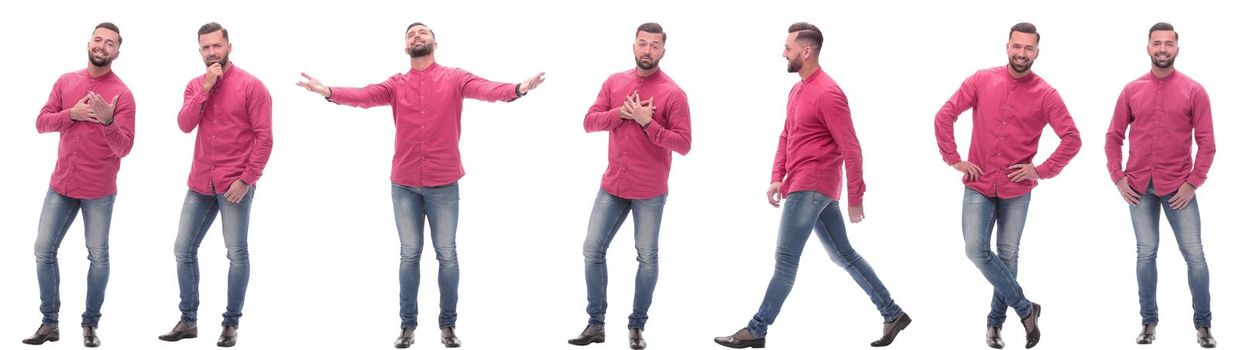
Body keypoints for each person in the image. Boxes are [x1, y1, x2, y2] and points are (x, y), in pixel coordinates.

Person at [296, 22, 545, 349]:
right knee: (409, 255)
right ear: (405, 48)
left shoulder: (455, 78)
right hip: (404, 185)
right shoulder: (396, 84)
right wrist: (330, 92)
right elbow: (365, 95)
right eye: (411, 35)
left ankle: (448, 326)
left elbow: (486, 89)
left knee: (447, 255)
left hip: (444, 184)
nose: (417, 36)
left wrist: (518, 88)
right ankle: (407, 326)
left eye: (422, 33)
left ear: (434, 42)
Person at [713, 22, 910, 349]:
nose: (783, 53)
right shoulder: (798, 89)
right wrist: (777, 176)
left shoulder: (829, 93)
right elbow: (787, 135)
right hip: (803, 184)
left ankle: (757, 328)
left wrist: (856, 196)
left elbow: (851, 147)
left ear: (806, 51)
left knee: (785, 261)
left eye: (788, 48)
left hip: (812, 186)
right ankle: (892, 312)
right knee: (843, 254)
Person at [932, 22, 1080, 349]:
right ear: (1007, 47)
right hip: (978, 183)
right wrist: (953, 158)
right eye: (1017, 46)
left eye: (1028, 48)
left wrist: (1040, 170)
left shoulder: (1046, 94)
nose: (1021, 53)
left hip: (1017, 190)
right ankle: (1027, 310)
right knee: (975, 250)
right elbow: (944, 115)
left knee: (1008, 255)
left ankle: (994, 325)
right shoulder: (982, 79)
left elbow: (1072, 139)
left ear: (1037, 52)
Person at [567, 22, 692, 350]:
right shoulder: (615, 82)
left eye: (654, 45)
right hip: (612, 186)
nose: (647, 50)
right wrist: (620, 114)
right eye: (642, 43)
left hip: (650, 190)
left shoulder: (674, 93)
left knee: (647, 257)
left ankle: (636, 326)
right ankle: (596, 324)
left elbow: (684, 144)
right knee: (591, 249)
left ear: (663, 51)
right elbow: (588, 121)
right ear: (633, 46)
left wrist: (647, 122)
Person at [158, 22, 274, 348]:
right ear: (199, 51)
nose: (212, 52)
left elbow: (265, 139)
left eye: (216, 46)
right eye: (205, 48)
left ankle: (230, 324)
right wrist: (206, 87)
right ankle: (188, 320)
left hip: (234, 185)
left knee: (236, 253)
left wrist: (247, 180)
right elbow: (184, 124)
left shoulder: (253, 87)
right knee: (183, 249)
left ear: (229, 47)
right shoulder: (196, 84)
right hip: (199, 184)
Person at [1104, 22, 1217, 348]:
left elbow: (1207, 143)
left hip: (1178, 188)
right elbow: (1113, 137)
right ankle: (1148, 322)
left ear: (1176, 49)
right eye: (1157, 43)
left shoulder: (1194, 91)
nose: (1163, 49)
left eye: (1169, 44)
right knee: (1145, 253)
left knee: (1195, 256)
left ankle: (1203, 325)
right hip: (1139, 188)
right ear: (1148, 47)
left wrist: (1194, 182)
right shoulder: (1131, 90)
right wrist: (1118, 177)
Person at [25, 22, 136, 349]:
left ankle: (90, 324)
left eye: (110, 43)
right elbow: (41, 122)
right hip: (61, 185)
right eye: (98, 39)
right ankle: (50, 323)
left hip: (98, 190)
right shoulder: (66, 81)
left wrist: (107, 121)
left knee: (98, 256)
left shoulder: (123, 95)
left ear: (117, 51)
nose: (102, 46)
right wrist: (70, 114)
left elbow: (125, 148)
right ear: (89, 43)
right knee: (43, 250)